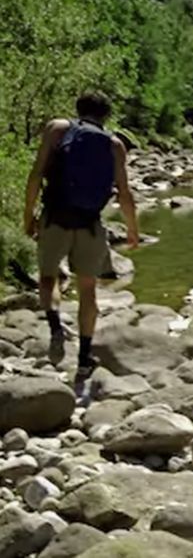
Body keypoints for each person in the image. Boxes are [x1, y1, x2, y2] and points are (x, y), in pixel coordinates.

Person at [22, 91, 139, 378]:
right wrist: (133, 230)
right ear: (106, 116)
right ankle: (85, 359)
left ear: (78, 109)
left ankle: (55, 328)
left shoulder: (58, 129)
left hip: (56, 218)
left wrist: (29, 215)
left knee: (49, 278)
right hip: (90, 225)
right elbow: (124, 194)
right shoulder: (114, 145)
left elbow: (36, 174)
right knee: (88, 290)